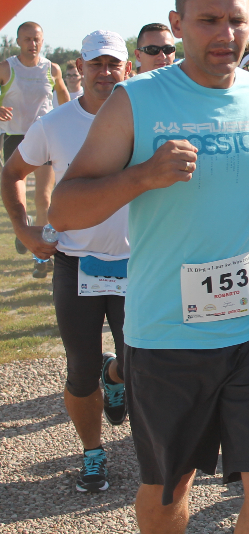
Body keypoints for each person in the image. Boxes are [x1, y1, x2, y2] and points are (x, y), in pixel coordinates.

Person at [48, 0, 249, 534]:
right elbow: (64, 208)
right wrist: (140, 177)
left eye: (236, 20)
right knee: (170, 491)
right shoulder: (136, 101)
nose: (225, 34)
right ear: (178, 22)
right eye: (208, 20)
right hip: (169, 333)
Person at [0, 30, 131, 494]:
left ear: (127, 69)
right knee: (80, 367)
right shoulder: (55, 123)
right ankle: (93, 452)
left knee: (142, 363)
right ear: (79, 67)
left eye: (113, 64)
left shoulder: (147, 118)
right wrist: (23, 229)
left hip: (136, 265)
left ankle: (116, 375)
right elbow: (13, 172)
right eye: (96, 64)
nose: (104, 72)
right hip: (76, 264)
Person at [0, 22, 70, 246]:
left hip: (44, 135)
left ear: (42, 41)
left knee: (43, 198)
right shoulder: (5, 68)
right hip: (15, 137)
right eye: (28, 39)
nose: (33, 44)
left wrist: (67, 120)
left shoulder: (52, 69)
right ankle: (23, 227)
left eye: (37, 39)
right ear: (18, 41)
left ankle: (39, 250)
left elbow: (63, 96)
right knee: (17, 199)